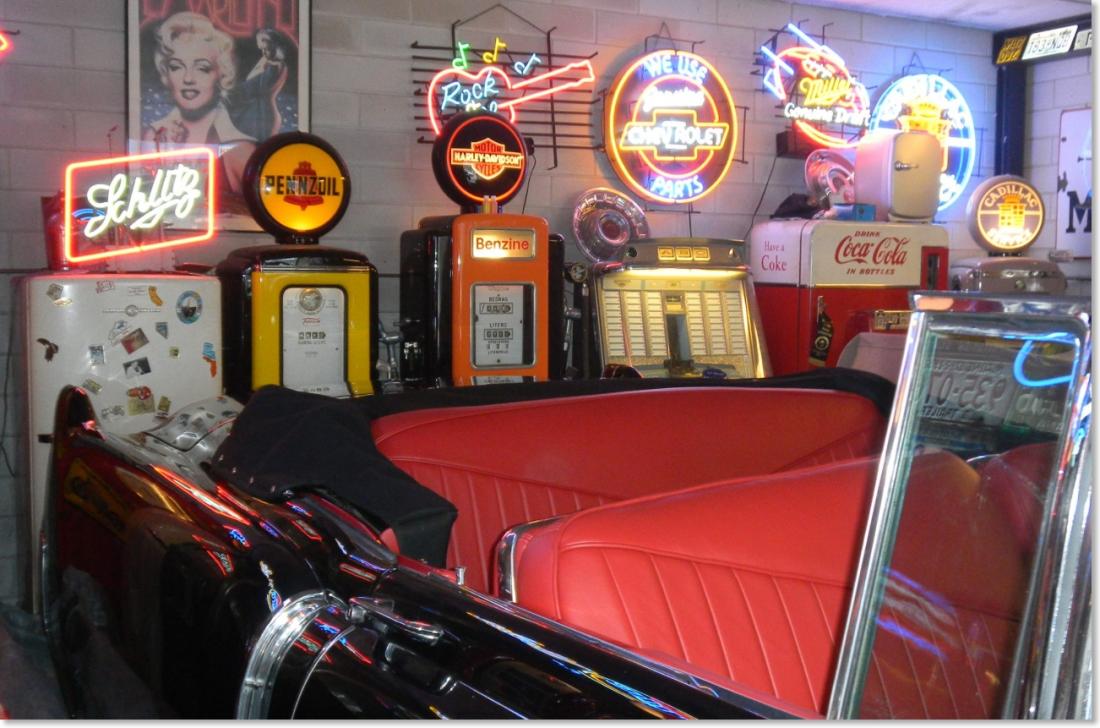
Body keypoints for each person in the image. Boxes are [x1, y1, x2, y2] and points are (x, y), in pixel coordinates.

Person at [142, 12, 255, 205]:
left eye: (202, 68)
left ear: (222, 74)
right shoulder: (154, 137)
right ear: (166, 73)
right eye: (176, 67)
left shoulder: (239, 151)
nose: (188, 79)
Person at [233, 28, 289, 140]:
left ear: (275, 47)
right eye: (262, 49)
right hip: (261, 112)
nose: (264, 53)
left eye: (267, 49)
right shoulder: (272, 64)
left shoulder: (273, 67)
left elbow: (252, 85)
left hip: (263, 114)